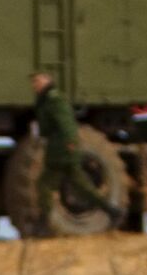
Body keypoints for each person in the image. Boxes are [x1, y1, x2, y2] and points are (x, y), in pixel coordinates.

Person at [31, 70, 125, 227]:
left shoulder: (54, 100)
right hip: (59, 150)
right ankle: (111, 211)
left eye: (37, 82)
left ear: (46, 81)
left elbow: (66, 123)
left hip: (61, 151)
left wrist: (70, 144)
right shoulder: (46, 100)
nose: (35, 86)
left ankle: (43, 223)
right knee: (81, 185)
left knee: (46, 184)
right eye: (34, 83)